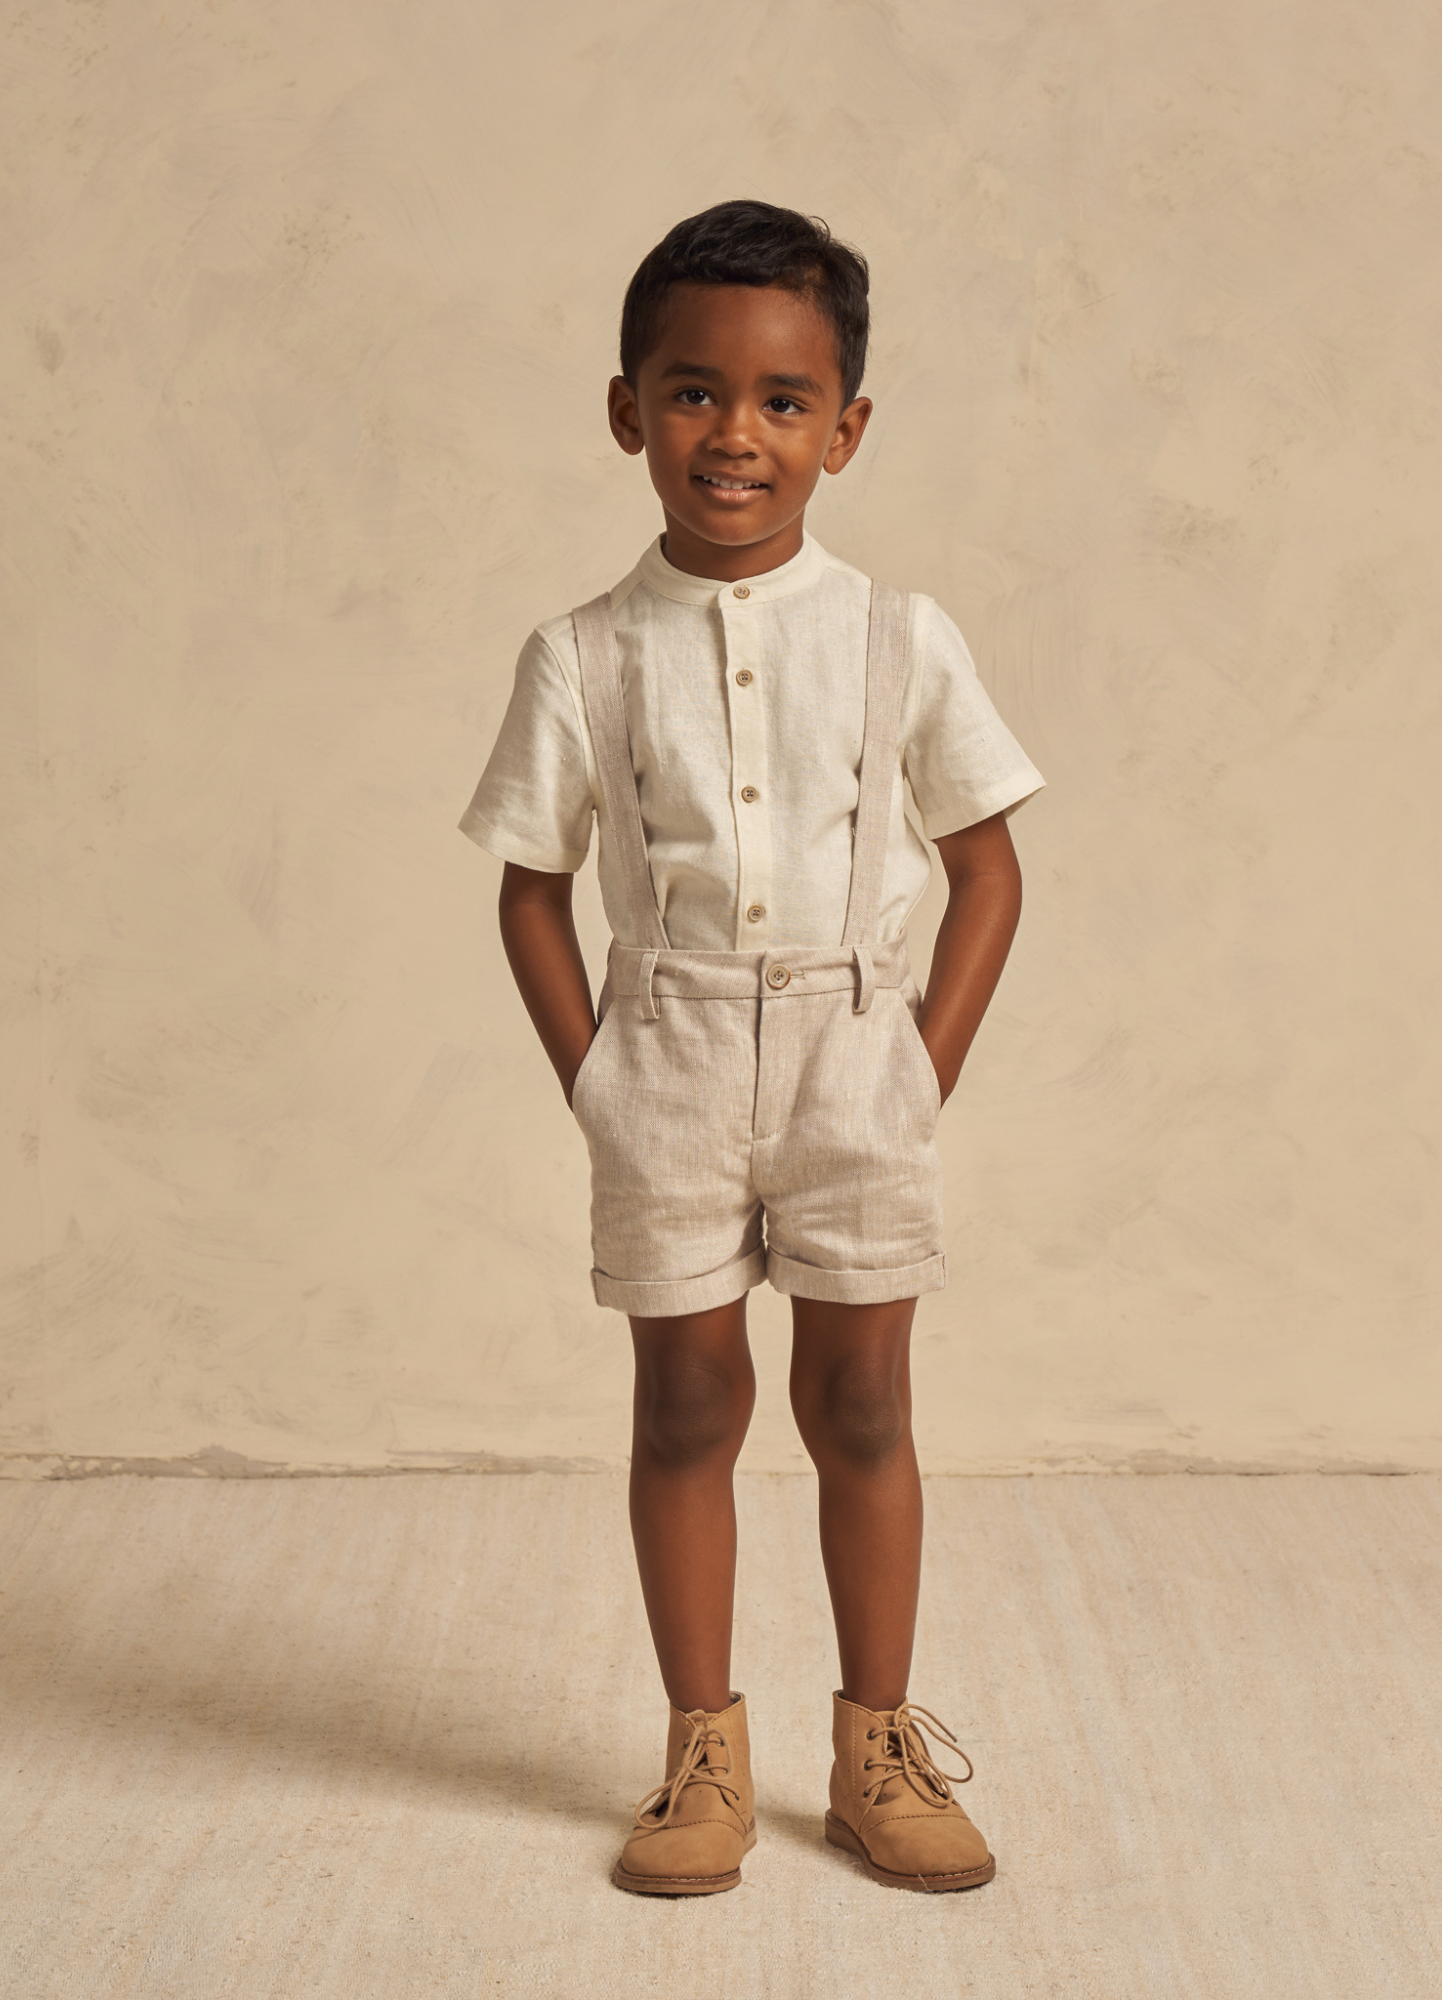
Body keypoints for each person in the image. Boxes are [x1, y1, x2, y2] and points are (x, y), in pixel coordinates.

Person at [459, 200, 1042, 1895]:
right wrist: (599, 1083)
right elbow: (530, 891)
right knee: (685, 1400)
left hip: (863, 1051)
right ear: (630, 406)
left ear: (845, 429)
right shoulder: (580, 654)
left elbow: (988, 865)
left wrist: (917, 1065)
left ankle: (879, 1740)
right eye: (696, 392)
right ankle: (701, 1748)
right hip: (668, 1061)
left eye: (786, 402)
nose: (738, 435)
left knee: (862, 1399)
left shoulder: (898, 636)